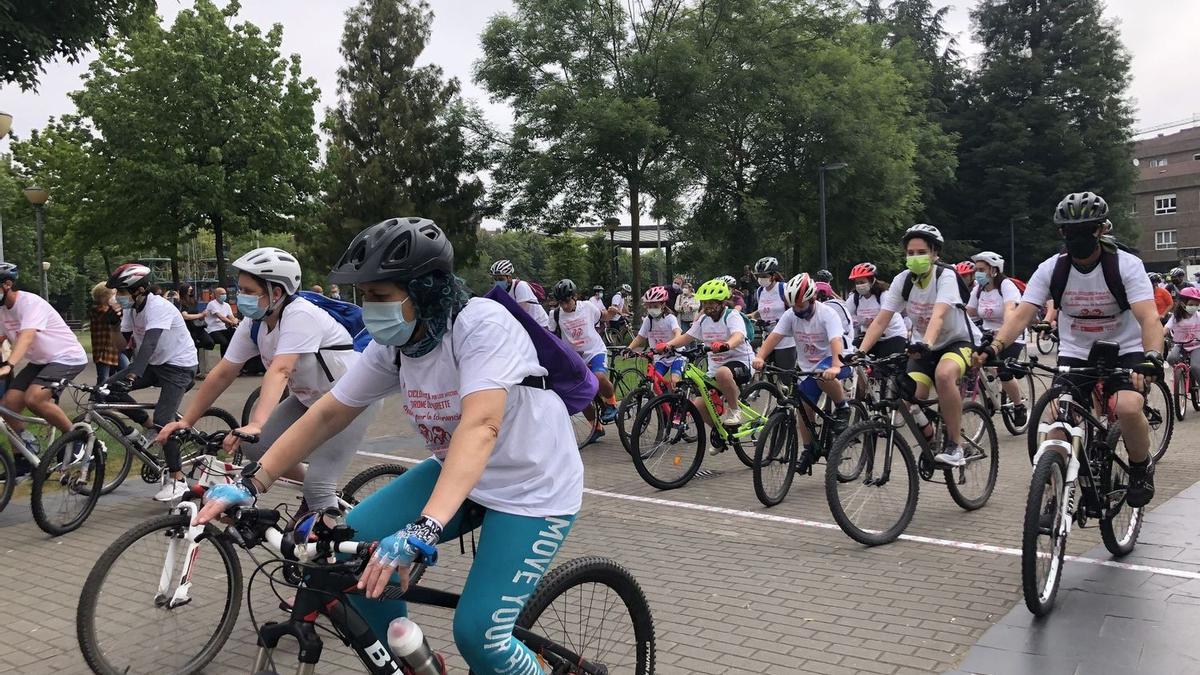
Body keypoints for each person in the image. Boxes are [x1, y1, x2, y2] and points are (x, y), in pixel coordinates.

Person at [194, 217, 582, 675]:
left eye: (380, 297)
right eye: (365, 297)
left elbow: (481, 427)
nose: (369, 308)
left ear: (425, 290)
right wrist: (253, 483)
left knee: (479, 636)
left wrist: (424, 529)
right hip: (458, 474)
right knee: (346, 560)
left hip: (531, 488)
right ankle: (418, 665)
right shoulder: (393, 345)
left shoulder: (481, 324)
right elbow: (329, 411)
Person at [975, 192, 1162, 507]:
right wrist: (994, 346)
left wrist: (1152, 358)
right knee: (1059, 421)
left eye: (1085, 230)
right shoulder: (1052, 269)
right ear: (1062, 233)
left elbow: (1148, 316)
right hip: (1076, 351)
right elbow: (1022, 314)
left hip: (1125, 348)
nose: (1076, 238)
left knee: (1128, 407)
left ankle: (1141, 468)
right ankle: (1052, 492)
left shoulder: (1126, 265)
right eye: (1069, 231)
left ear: (1100, 230)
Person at [158, 247, 374, 514]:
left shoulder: (300, 314)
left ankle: (333, 539)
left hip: (351, 398)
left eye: (249, 291)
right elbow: (224, 372)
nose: (241, 297)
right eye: (240, 290)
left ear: (276, 292)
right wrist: (186, 421)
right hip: (309, 399)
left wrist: (257, 422)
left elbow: (281, 370)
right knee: (257, 448)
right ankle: (326, 499)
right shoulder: (255, 322)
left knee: (318, 485)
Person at [856, 224, 981, 467]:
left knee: (944, 375)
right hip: (924, 346)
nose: (915, 257)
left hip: (957, 341)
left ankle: (955, 445)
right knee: (908, 397)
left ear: (935, 253)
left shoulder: (945, 276)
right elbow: (882, 319)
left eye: (921, 252)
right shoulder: (902, 280)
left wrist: (926, 343)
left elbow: (939, 315)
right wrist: (860, 352)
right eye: (910, 253)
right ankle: (933, 439)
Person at [105, 263, 199, 501]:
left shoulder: (158, 307)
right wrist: (113, 325)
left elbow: (149, 344)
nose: (119, 297)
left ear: (140, 290)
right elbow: (121, 347)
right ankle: (146, 427)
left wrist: (132, 374)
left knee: (163, 419)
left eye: (122, 292)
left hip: (179, 367)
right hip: (155, 365)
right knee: (106, 390)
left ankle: (178, 479)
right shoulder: (131, 310)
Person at [753, 273, 852, 472]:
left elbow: (836, 342)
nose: (796, 310)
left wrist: (835, 366)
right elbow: (774, 337)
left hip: (837, 358)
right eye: (793, 306)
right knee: (803, 409)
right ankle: (809, 450)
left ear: (812, 298)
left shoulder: (827, 314)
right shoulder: (791, 315)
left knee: (823, 376)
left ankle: (843, 407)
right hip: (809, 367)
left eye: (800, 305)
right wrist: (760, 357)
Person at [0, 263, 89, 471]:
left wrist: (9, 364)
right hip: (41, 361)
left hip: (67, 357)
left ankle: (77, 440)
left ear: (7, 284)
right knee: (8, 405)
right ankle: (24, 457)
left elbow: (27, 335)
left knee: (34, 398)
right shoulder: (2, 311)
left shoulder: (30, 303)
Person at [656, 279, 754, 431]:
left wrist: (726, 345)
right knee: (699, 406)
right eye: (705, 303)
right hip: (715, 370)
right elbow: (687, 336)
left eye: (711, 303)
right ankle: (720, 433)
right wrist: (669, 345)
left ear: (722, 302)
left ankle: (735, 410)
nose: (707, 306)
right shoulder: (703, 320)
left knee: (723, 373)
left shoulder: (732, 316)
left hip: (741, 362)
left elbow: (738, 336)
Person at [548, 279, 619, 444]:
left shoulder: (587, 307)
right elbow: (551, 337)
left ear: (575, 296)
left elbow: (604, 316)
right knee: (582, 396)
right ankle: (596, 428)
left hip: (594, 351)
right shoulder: (555, 315)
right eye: (560, 302)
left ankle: (611, 404)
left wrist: (612, 312)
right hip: (575, 358)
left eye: (567, 301)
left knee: (599, 377)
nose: (564, 306)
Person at [966, 251, 1028, 427]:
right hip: (986, 334)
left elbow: (1010, 310)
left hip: (1011, 335)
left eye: (981, 269)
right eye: (976, 269)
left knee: (1004, 370)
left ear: (993, 270)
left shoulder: (1006, 286)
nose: (977, 273)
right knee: (969, 361)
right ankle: (989, 396)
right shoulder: (978, 289)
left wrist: (1004, 330)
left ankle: (1018, 406)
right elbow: (968, 311)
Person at [627, 285, 684, 390]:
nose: (651, 309)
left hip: (676, 355)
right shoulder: (648, 321)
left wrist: (669, 345)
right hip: (660, 357)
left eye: (655, 306)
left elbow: (678, 333)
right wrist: (629, 348)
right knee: (655, 384)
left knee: (674, 381)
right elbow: (640, 338)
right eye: (649, 306)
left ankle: (678, 402)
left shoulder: (670, 318)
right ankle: (663, 403)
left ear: (663, 304)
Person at [749, 257, 795, 383]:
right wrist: (750, 316)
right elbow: (762, 311)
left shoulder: (783, 289)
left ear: (773, 275)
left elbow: (794, 309)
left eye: (764, 275)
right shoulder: (759, 291)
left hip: (785, 339)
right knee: (761, 365)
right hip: (767, 336)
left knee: (785, 375)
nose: (761, 278)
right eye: (758, 275)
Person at [847, 263, 907, 356]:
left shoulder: (884, 295)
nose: (859, 285)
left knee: (885, 366)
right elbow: (846, 316)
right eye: (857, 283)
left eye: (862, 282)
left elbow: (883, 320)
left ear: (872, 281)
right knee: (853, 356)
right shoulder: (854, 298)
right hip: (868, 337)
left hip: (892, 336)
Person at [489, 259, 550, 329]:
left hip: (541, 325)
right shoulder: (500, 292)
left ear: (509, 277)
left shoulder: (520, 286)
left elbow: (521, 312)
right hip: (527, 326)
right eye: (495, 279)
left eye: (500, 279)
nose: (497, 282)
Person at [88, 282, 128, 384]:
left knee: (127, 371)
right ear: (104, 297)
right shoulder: (97, 310)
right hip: (103, 350)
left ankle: (113, 394)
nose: (116, 297)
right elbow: (110, 316)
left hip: (115, 350)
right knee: (103, 378)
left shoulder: (111, 310)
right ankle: (99, 397)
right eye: (113, 294)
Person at [1167, 287, 1200, 380]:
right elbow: (1166, 328)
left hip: (1197, 346)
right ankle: (1177, 373)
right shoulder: (1176, 317)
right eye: (1191, 304)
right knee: (1171, 359)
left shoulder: (1198, 316)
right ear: (1183, 304)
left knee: (1196, 367)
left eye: (1197, 305)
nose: (1194, 307)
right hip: (1181, 345)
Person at [203, 287, 238, 357]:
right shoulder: (212, 304)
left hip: (224, 328)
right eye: (222, 294)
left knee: (236, 339)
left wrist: (235, 321)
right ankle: (224, 361)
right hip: (213, 329)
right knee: (224, 343)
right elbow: (221, 317)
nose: (224, 295)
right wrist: (231, 322)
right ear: (216, 295)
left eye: (225, 293)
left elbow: (232, 317)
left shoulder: (227, 305)